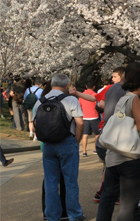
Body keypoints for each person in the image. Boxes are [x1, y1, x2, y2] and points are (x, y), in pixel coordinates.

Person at [96, 67, 140, 221]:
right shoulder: (133, 100)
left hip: (114, 157)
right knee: (128, 207)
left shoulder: (122, 99)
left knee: (107, 197)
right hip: (130, 159)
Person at [32, 73, 85, 221]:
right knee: (70, 182)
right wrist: (77, 140)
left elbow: (36, 124)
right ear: (66, 85)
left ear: (52, 83)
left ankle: (52, 216)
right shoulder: (70, 100)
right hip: (67, 142)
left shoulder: (40, 101)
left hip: (48, 146)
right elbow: (80, 123)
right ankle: (74, 214)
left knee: (50, 183)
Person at [79, 81, 100, 157]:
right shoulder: (95, 95)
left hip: (85, 116)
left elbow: (80, 106)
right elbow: (98, 105)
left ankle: (84, 151)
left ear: (86, 86)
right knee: (97, 134)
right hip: (94, 116)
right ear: (94, 87)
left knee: (85, 134)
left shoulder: (82, 96)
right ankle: (95, 149)